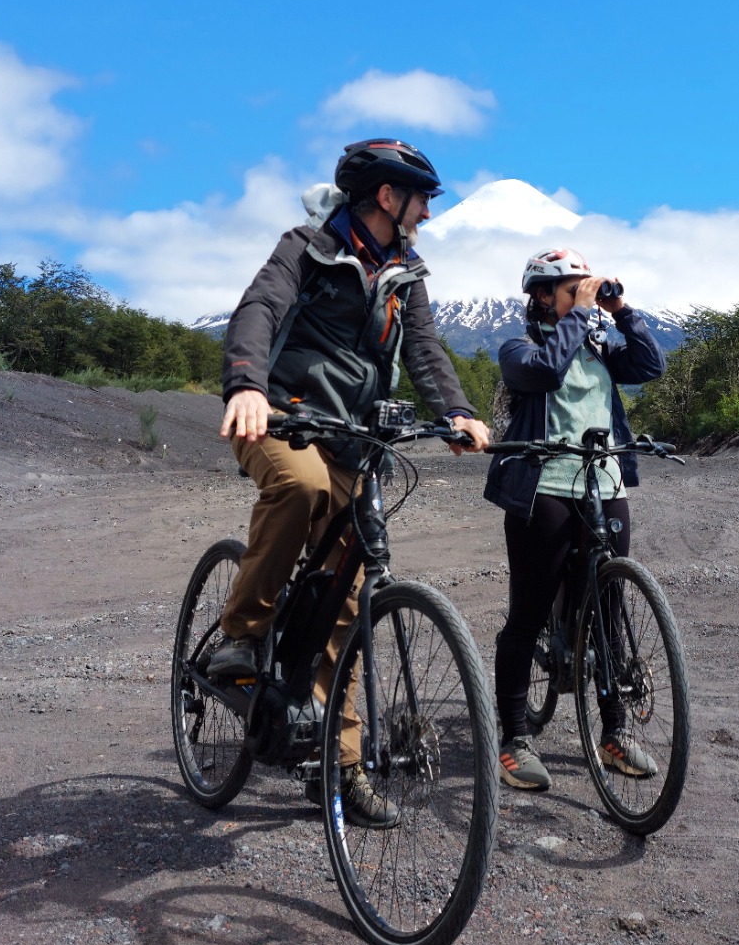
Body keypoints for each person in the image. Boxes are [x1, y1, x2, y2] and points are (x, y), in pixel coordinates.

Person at [214, 137, 492, 826]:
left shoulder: (406, 274)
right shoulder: (307, 247)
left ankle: (337, 765)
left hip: (352, 439)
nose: (428, 213)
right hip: (280, 418)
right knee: (302, 486)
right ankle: (241, 633)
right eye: (422, 199)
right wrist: (246, 385)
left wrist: (455, 411)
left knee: (350, 600)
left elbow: (424, 349)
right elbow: (259, 309)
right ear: (387, 197)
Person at [483, 248, 666, 791]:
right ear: (543, 296)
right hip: (545, 490)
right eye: (573, 288)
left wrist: (621, 311)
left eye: (586, 287)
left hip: (605, 485)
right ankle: (514, 740)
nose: (585, 294)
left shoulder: (599, 344)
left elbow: (650, 366)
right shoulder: (519, 348)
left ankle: (614, 734)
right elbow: (543, 372)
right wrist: (582, 315)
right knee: (528, 613)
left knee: (608, 613)